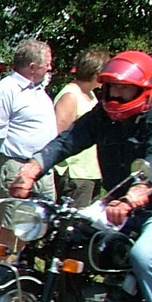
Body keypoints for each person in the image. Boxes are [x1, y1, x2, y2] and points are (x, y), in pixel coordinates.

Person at [9, 50, 152, 302]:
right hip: (114, 204)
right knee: (66, 238)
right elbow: (69, 140)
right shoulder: (103, 114)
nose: (115, 95)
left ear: (145, 89)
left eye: (124, 89)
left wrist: (137, 193)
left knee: (143, 255)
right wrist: (33, 168)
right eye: (112, 88)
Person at [0, 39, 58, 255]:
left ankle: (24, 269)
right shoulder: (5, 91)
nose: (50, 68)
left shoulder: (39, 91)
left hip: (41, 168)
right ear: (32, 67)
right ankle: (1, 271)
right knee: (11, 226)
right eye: (47, 63)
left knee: (36, 227)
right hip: (16, 166)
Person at [52, 49, 107, 204]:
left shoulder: (90, 94)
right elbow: (60, 136)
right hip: (75, 174)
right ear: (96, 73)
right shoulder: (70, 95)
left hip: (90, 172)